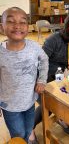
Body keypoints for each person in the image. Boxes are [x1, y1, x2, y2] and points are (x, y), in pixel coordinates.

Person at [30, 11, 69, 138]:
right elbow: (39, 62)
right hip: (41, 78)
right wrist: (41, 82)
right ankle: (30, 128)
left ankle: (62, 117)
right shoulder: (54, 39)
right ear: (68, 24)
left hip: (59, 78)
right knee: (50, 104)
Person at [0, 7, 48, 144]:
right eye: (10, 21)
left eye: (23, 22)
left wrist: (42, 80)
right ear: (2, 27)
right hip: (10, 106)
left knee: (28, 130)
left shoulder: (34, 47)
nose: (17, 26)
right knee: (18, 134)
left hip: (29, 102)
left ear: (28, 27)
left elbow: (44, 59)